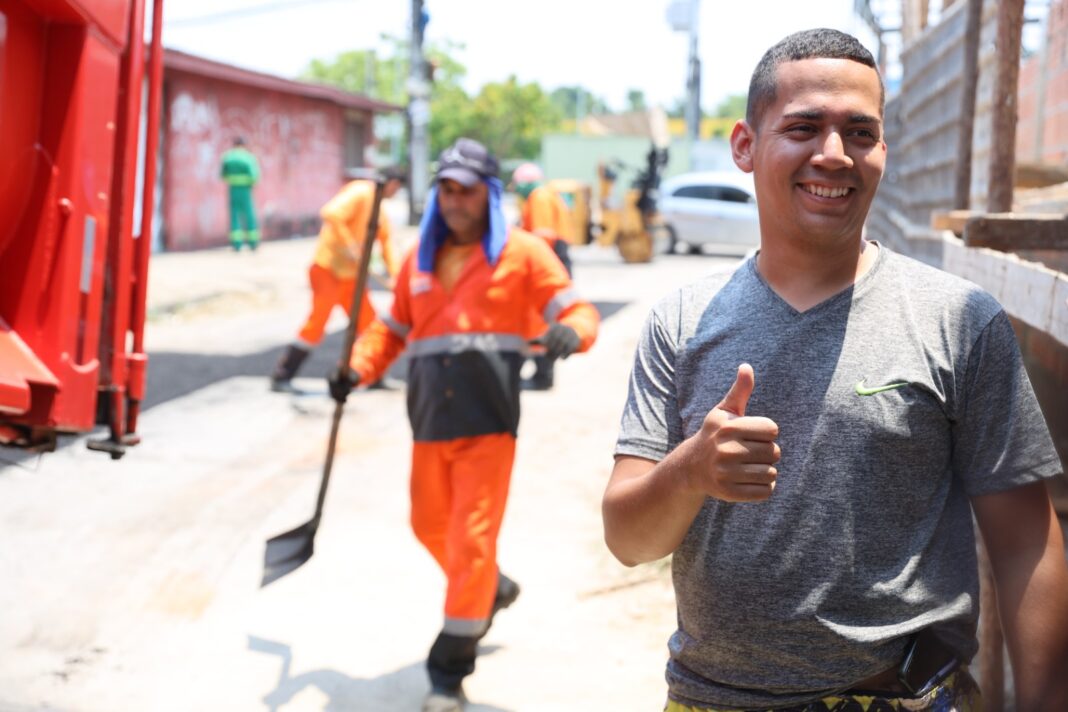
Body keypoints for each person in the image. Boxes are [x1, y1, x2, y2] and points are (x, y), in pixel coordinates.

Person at [602, 28, 1068, 712]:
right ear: (744, 145)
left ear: (882, 149)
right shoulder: (682, 323)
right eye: (803, 127)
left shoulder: (959, 320)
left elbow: (1027, 539)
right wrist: (690, 472)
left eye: (859, 131)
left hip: (907, 698)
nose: (832, 154)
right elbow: (626, 539)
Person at [329, 137, 599, 712]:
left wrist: (572, 332)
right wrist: (354, 368)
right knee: (429, 527)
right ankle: (492, 588)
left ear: (488, 194)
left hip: (488, 423)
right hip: (429, 423)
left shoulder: (524, 253)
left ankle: (448, 671)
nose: (455, 201)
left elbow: (578, 309)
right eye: (446, 190)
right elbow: (391, 332)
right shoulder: (416, 263)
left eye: (466, 190)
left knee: (470, 541)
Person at [269, 167, 406, 393]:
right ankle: (282, 375)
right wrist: (351, 246)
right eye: (397, 187)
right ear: (391, 183)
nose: (396, 192)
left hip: (351, 276)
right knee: (317, 322)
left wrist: (397, 278)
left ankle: (374, 375)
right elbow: (331, 213)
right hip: (328, 269)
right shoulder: (361, 192)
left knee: (369, 323)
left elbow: (387, 244)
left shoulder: (379, 211)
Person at [512, 162, 573, 390]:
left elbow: (542, 236)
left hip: (548, 260)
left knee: (541, 320)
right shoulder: (547, 195)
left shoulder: (538, 197)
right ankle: (541, 374)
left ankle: (542, 375)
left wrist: (528, 266)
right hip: (556, 258)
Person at [219, 136, 261, 250]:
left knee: (234, 216)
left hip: (233, 190)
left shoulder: (227, 157)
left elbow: (223, 175)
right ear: (243, 145)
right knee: (249, 215)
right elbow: (254, 176)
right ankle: (253, 242)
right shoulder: (248, 157)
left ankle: (236, 244)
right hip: (245, 190)